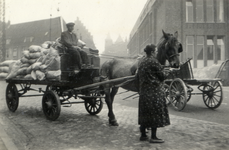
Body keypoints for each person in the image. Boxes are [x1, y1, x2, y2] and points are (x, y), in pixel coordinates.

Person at [136, 44, 170, 143]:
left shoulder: (141, 61)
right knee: (155, 113)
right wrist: (169, 72)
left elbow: (137, 76)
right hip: (154, 92)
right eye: (156, 51)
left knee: (144, 114)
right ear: (152, 52)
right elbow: (162, 76)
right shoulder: (154, 62)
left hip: (143, 92)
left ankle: (143, 135)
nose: (157, 53)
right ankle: (153, 137)